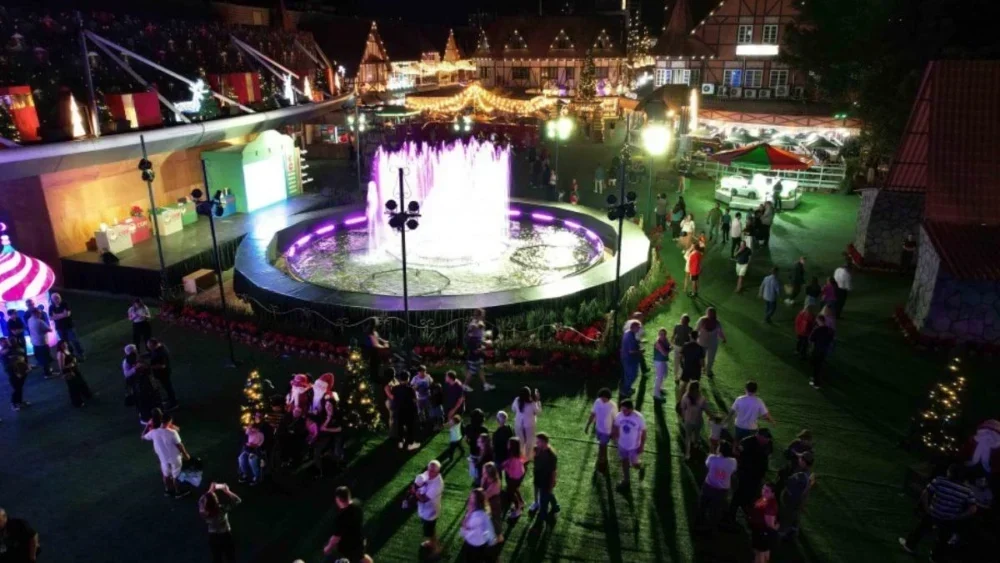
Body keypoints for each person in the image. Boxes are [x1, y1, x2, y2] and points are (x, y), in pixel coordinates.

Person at [899, 464, 978, 559]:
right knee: (943, 539)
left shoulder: (940, 481)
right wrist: (958, 516)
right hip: (949, 518)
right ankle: (936, 557)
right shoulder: (968, 491)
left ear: (950, 472)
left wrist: (927, 508)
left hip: (934, 512)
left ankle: (909, 546)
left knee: (920, 530)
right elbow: (973, 509)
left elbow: (925, 493)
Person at [142, 408, 192, 498]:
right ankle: (178, 492)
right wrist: (186, 455)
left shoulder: (153, 432)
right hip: (175, 458)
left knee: (166, 475)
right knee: (176, 475)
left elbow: (143, 437)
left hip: (163, 458)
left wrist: (147, 425)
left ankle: (168, 490)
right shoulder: (172, 432)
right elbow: (179, 445)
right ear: (169, 421)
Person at [731, 429, 774, 518]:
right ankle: (732, 511)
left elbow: (769, 453)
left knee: (752, 493)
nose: (767, 440)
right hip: (745, 472)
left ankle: (746, 507)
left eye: (768, 438)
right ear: (758, 436)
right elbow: (737, 453)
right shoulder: (747, 442)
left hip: (758, 474)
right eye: (765, 438)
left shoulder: (768, 443)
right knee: (740, 491)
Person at [324, 486, 371, 563]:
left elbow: (336, 537)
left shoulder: (342, 517)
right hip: (360, 539)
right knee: (361, 557)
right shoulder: (357, 503)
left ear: (338, 499)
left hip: (350, 546)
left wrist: (328, 547)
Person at [199, 483, 241, 563]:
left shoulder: (204, 512)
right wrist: (227, 491)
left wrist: (209, 492)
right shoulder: (222, 509)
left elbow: (201, 500)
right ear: (216, 500)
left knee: (217, 558)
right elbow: (238, 500)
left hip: (213, 537)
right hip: (225, 535)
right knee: (230, 556)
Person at [612, 399, 647, 492]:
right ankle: (626, 481)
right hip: (622, 444)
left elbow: (644, 432)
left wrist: (642, 445)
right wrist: (614, 433)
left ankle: (640, 466)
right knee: (624, 461)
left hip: (634, 446)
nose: (623, 412)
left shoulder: (639, 417)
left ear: (631, 409)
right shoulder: (619, 415)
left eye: (625, 410)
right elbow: (616, 425)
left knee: (634, 464)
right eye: (622, 409)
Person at [778, 451, 814, 539]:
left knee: (786, 518)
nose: (798, 459)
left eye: (800, 458)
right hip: (798, 501)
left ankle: (781, 535)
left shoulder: (800, 476)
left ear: (804, 462)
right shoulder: (808, 473)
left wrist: (783, 476)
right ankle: (793, 531)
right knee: (794, 517)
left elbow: (789, 483)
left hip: (791, 501)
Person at [124, 344, 161, 424]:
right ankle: (146, 417)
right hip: (138, 387)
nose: (136, 351)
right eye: (134, 350)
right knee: (142, 402)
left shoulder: (138, 357)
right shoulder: (126, 362)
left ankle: (153, 414)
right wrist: (135, 369)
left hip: (146, 384)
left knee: (151, 400)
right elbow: (127, 374)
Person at [530, 433, 560, 524]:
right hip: (538, 476)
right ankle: (555, 506)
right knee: (548, 494)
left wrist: (551, 484)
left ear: (544, 442)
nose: (536, 443)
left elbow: (553, 472)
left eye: (538, 442)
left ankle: (541, 519)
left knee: (544, 500)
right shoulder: (537, 449)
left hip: (546, 481)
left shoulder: (551, 456)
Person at [585, 388, 618, 473]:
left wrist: (614, 431)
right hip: (598, 428)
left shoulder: (613, 405)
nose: (603, 399)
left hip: (607, 431)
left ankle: (601, 461)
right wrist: (588, 425)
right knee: (602, 445)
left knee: (602, 446)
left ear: (608, 398)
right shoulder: (597, 402)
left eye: (604, 398)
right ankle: (604, 459)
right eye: (601, 397)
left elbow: (615, 420)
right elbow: (593, 414)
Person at [416, 460, 445, 555]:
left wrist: (415, 492)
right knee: (430, 530)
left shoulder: (438, 484)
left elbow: (424, 499)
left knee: (429, 531)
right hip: (425, 510)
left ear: (438, 472)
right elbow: (420, 479)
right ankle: (432, 543)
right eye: (429, 469)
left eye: (432, 471)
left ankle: (436, 548)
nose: (429, 472)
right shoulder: (428, 473)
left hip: (430, 512)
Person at [462, 488, 498, 561]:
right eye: (470, 497)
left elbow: (489, 532)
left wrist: (491, 542)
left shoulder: (481, 515)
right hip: (471, 543)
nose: (470, 500)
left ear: (478, 502)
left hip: (477, 545)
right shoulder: (472, 511)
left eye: (473, 499)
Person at [464, 309, 496, 392]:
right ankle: (465, 385)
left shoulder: (480, 323)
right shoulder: (474, 323)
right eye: (482, 315)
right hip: (474, 346)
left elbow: (480, 335)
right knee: (473, 369)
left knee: (480, 367)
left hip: (477, 344)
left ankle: (485, 385)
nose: (484, 316)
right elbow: (469, 334)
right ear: (479, 315)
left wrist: (485, 342)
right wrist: (483, 346)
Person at [55, 339, 92, 408]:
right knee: (73, 387)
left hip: (74, 370)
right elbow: (62, 367)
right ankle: (78, 403)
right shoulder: (61, 354)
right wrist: (71, 365)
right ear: (60, 346)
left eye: (65, 344)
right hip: (69, 372)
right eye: (63, 345)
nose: (65, 346)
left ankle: (87, 395)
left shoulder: (66, 350)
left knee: (81, 382)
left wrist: (74, 361)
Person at [680, 381, 712, 460]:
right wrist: (712, 417)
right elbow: (707, 411)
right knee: (696, 436)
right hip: (698, 421)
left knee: (688, 437)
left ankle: (687, 454)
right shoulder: (702, 399)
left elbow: (682, 408)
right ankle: (695, 447)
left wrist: (684, 417)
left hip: (688, 421)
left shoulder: (685, 397)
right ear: (698, 389)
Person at [750, 483, 780, 563]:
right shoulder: (765, 498)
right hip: (759, 531)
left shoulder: (770, 505)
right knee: (762, 551)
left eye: (767, 491)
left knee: (760, 552)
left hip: (762, 533)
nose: (763, 492)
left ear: (773, 493)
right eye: (763, 489)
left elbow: (770, 525)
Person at [49, 292, 84, 359]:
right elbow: (51, 318)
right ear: (52, 300)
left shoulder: (64, 304)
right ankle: (71, 355)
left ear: (60, 297)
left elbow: (67, 314)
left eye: (57, 298)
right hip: (59, 328)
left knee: (74, 340)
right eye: (54, 298)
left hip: (69, 326)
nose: (56, 299)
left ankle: (81, 354)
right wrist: (63, 314)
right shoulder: (51, 307)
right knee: (65, 343)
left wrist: (56, 315)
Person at [695, 308, 726, 378]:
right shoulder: (702, 320)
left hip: (713, 344)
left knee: (711, 358)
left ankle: (708, 371)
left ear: (715, 314)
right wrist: (694, 338)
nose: (710, 315)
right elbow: (696, 330)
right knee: (701, 357)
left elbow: (720, 332)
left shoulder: (717, 323)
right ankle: (702, 369)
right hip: (702, 342)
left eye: (712, 313)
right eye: (709, 313)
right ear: (707, 313)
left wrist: (724, 338)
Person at [1, 337, 29, 413]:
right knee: (16, 388)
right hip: (13, 374)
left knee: (20, 388)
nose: (6, 342)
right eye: (3, 342)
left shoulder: (16, 349)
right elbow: (7, 366)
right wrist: (15, 373)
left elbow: (24, 357)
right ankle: (13, 404)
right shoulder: (4, 353)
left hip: (22, 371)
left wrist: (26, 367)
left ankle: (20, 402)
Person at [147, 338, 176, 409]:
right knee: (166, 387)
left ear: (153, 345)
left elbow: (162, 365)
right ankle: (170, 398)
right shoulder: (157, 348)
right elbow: (151, 353)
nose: (149, 348)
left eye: (150, 347)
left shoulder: (162, 352)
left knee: (168, 387)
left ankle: (174, 403)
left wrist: (149, 367)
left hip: (164, 373)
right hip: (161, 373)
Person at [512, 388, 541, 461]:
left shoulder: (517, 400)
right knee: (529, 441)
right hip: (529, 425)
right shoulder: (532, 403)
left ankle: (520, 456)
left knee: (520, 441)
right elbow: (538, 412)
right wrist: (538, 401)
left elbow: (513, 409)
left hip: (519, 424)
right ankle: (527, 457)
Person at [808, 315, 835, 389]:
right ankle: (815, 379)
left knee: (816, 367)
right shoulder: (830, 330)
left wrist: (810, 349)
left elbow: (811, 340)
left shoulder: (817, 330)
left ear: (819, 321)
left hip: (817, 351)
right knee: (819, 366)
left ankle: (816, 383)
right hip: (824, 351)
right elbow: (831, 340)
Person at [393, 376, 419, 450]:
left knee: (400, 426)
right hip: (409, 410)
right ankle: (410, 444)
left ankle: (400, 442)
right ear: (408, 379)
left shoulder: (395, 388)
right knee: (410, 427)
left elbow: (394, 398)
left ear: (399, 379)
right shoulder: (410, 389)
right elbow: (415, 400)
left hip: (399, 410)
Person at [503, 438, 527, 518]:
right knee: (515, 489)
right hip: (519, 475)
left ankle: (518, 509)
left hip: (514, 477)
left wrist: (504, 467)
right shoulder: (517, 454)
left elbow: (511, 470)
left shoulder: (513, 458)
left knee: (510, 493)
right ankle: (521, 502)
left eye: (509, 443)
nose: (507, 444)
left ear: (512, 446)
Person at [480, 462, 504, 542]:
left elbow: (486, 495)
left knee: (495, 519)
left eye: (484, 471)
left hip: (494, 503)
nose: (482, 472)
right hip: (487, 501)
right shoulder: (485, 478)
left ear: (489, 473)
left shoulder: (495, 484)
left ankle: (499, 537)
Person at [26, 309, 53, 378]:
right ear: (35, 313)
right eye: (39, 313)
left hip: (34, 342)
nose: (40, 314)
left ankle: (46, 370)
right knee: (45, 358)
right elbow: (49, 330)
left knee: (40, 357)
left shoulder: (29, 320)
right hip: (42, 342)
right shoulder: (40, 321)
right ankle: (48, 373)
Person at [620, 321, 642, 397]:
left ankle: (628, 388)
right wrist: (640, 351)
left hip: (626, 358)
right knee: (632, 375)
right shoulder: (630, 336)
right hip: (629, 359)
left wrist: (637, 342)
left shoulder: (628, 332)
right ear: (633, 327)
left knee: (628, 375)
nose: (639, 329)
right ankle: (625, 390)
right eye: (638, 327)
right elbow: (631, 351)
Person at [670, 315, 693, 383]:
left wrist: (671, 343)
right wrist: (671, 343)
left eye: (684, 320)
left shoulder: (689, 329)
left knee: (679, 362)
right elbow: (673, 335)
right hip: (679, 347)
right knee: (679, 362)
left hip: (683, 347)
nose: (683, 321)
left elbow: (690, 339)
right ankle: (677, 376)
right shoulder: (679, 327)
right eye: (683, 320)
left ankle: (678, 376)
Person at [651, 329, 671, 400]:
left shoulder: (665, 340)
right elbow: (664, 353)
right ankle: (656, 394)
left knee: (664, 375)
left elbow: (668, 346)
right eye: (661, 334)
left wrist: (669, 348)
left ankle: (660, 388)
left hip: (663, 361)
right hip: (659, 362)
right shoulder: (658, 343)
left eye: (664, 334)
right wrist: (670, 349)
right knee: (659, 377)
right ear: (659, 334)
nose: (663, 336)